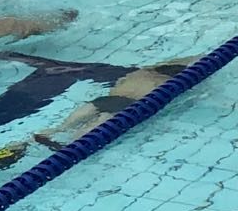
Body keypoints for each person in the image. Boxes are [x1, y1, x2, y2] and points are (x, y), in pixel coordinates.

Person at [33, 57, 198, 150]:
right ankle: (69, 147)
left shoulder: (142, 72)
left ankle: (30, 141)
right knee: (86, 133)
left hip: (107, 99)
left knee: (60, 128)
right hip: (126, 105)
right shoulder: (164, 82)